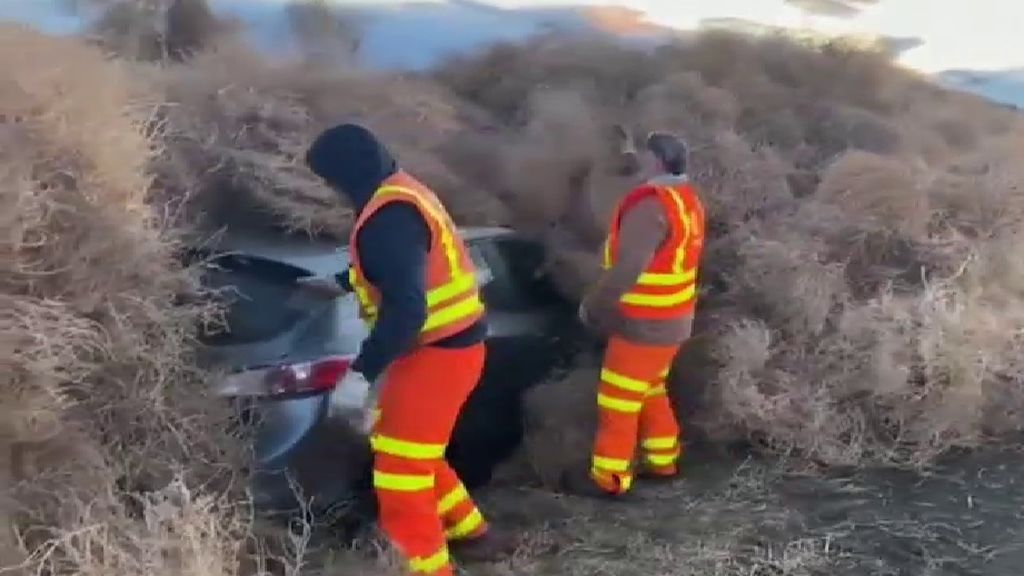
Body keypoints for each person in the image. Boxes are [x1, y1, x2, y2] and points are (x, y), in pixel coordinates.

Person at [301, 123, 516, 575]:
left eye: (330, 180)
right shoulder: (402, 192)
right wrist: (339, 282)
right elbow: (400, 267)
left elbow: (407, 310)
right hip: (446, 348)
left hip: (437, 355)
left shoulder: (387, 217)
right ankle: (473, 534)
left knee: (400, 472)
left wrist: (361, 373)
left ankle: (427, 567)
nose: (333, 191)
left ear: (343, 175)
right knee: (412, 450)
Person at [564, 130, 705, 498]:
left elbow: (628, 269)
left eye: (643, 155)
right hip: (674, 321)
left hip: (644, 324)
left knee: (618, 400)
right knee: (650, 388)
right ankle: (663, 460)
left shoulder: (650, 206)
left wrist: (594, 305)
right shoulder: (685, 199)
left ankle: (609, 479)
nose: (637, 160)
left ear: (656, 161)